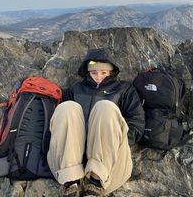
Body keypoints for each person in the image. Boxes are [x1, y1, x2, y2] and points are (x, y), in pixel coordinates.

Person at [47, 48, 145, 197]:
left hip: (110, 164)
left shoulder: (124, 90)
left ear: (111, 72)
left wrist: (114, 142)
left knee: (105, 107)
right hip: (72, 162)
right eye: (94, 73)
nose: (98, 77)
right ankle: (71, 182)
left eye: (103, 73)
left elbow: (137, 124)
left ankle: (96, 182)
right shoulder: (75, 90)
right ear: (87, 72)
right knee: (67, 107)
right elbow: (63, 126)